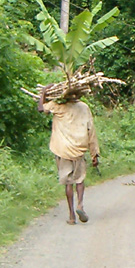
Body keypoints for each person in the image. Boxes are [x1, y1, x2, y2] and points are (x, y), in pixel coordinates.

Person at [37, 86, 100, 225]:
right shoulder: (84, 108)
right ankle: (80, 205)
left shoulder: (58, 106)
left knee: (68, 183)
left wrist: (43, 93)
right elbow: (91, 131)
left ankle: (72, 216)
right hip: (79, 148)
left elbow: (41, 109)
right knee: (79, 180)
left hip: (63, 150)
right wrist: (94, 154)